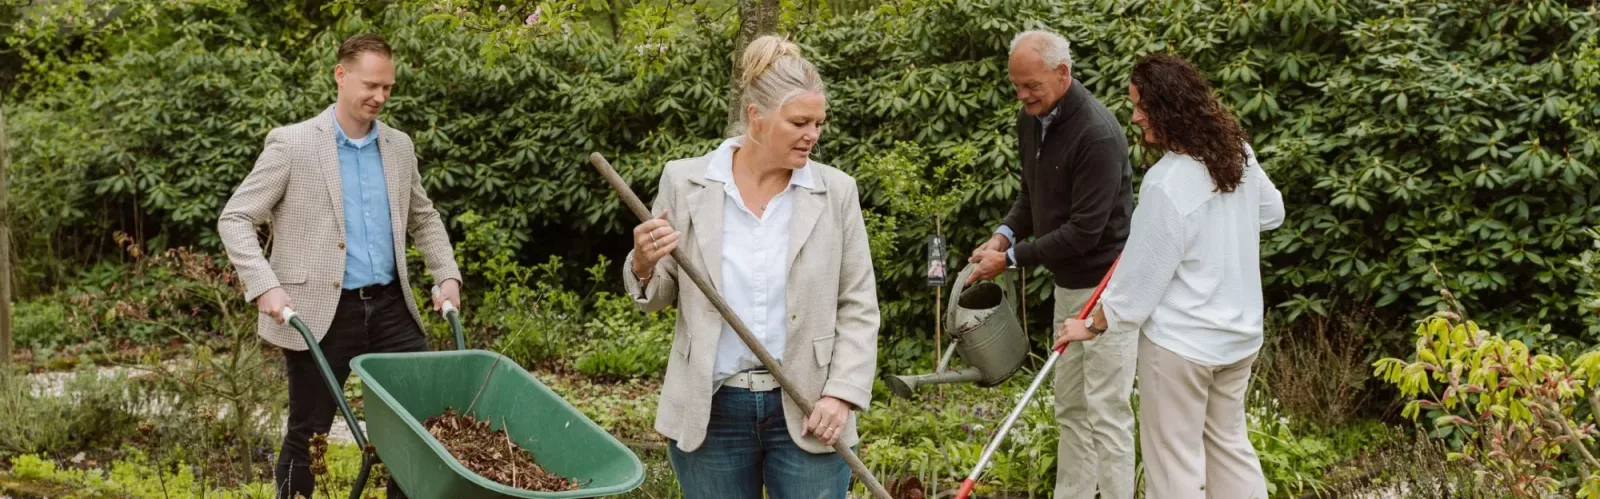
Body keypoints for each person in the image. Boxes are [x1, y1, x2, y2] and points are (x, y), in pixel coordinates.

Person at [621, 34, 880, 499]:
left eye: (819, 123)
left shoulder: (836, 192)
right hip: (712, 408)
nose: (813, 135)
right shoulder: (686, 182)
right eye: (799, 121)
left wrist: (841, 394)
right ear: (756, 117)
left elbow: (858, 304)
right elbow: (659, 294)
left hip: (809, 408)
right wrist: (642, 261)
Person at [217, 33, 464, 499]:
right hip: (319, 312)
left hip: (392, 310)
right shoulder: (292, 145)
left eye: (388, 87)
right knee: (308, 432)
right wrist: (264, 286)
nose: (380, 97)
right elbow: (235, 218)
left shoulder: (398, 146)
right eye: (371, 85)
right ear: (340, 75)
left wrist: (446, 275)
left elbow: (423, 217)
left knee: (420, 427)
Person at [1056, 53, 1286, 499]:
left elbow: (1140, 282)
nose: (1135, 115)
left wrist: (1090, 325)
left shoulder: (1167, 181)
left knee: (1173, 464)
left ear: (1169, 108)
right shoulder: (1237, 154)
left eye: (1142, 105)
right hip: (1238, 339)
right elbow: (1271, 212)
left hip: (1181, 348)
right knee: (1229, 448)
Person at [967, 29, 1136, 499]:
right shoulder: (1032, 120)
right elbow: (1031, 193)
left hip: (1107, 288)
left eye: (1031, 86)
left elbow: (1085, 231)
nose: (1023, 96)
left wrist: (1012, 258)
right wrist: (1004, 234)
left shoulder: (1097, 134)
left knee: (1107, 409)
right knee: (1070, 407)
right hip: (1069, 287)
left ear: (1062, 74)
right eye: (1017, 86)